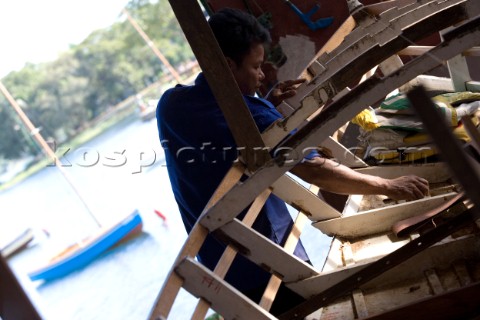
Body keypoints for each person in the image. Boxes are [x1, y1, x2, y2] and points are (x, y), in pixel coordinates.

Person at [156, 7, 429, 316]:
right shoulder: (254, 117)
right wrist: (388, 185)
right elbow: (314, 168)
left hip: (221, 269)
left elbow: (217, 129)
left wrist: (261, 103)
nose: (261, 76)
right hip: (267, 260)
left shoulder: (170, 106)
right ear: (228, 66)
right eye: (256, 66)